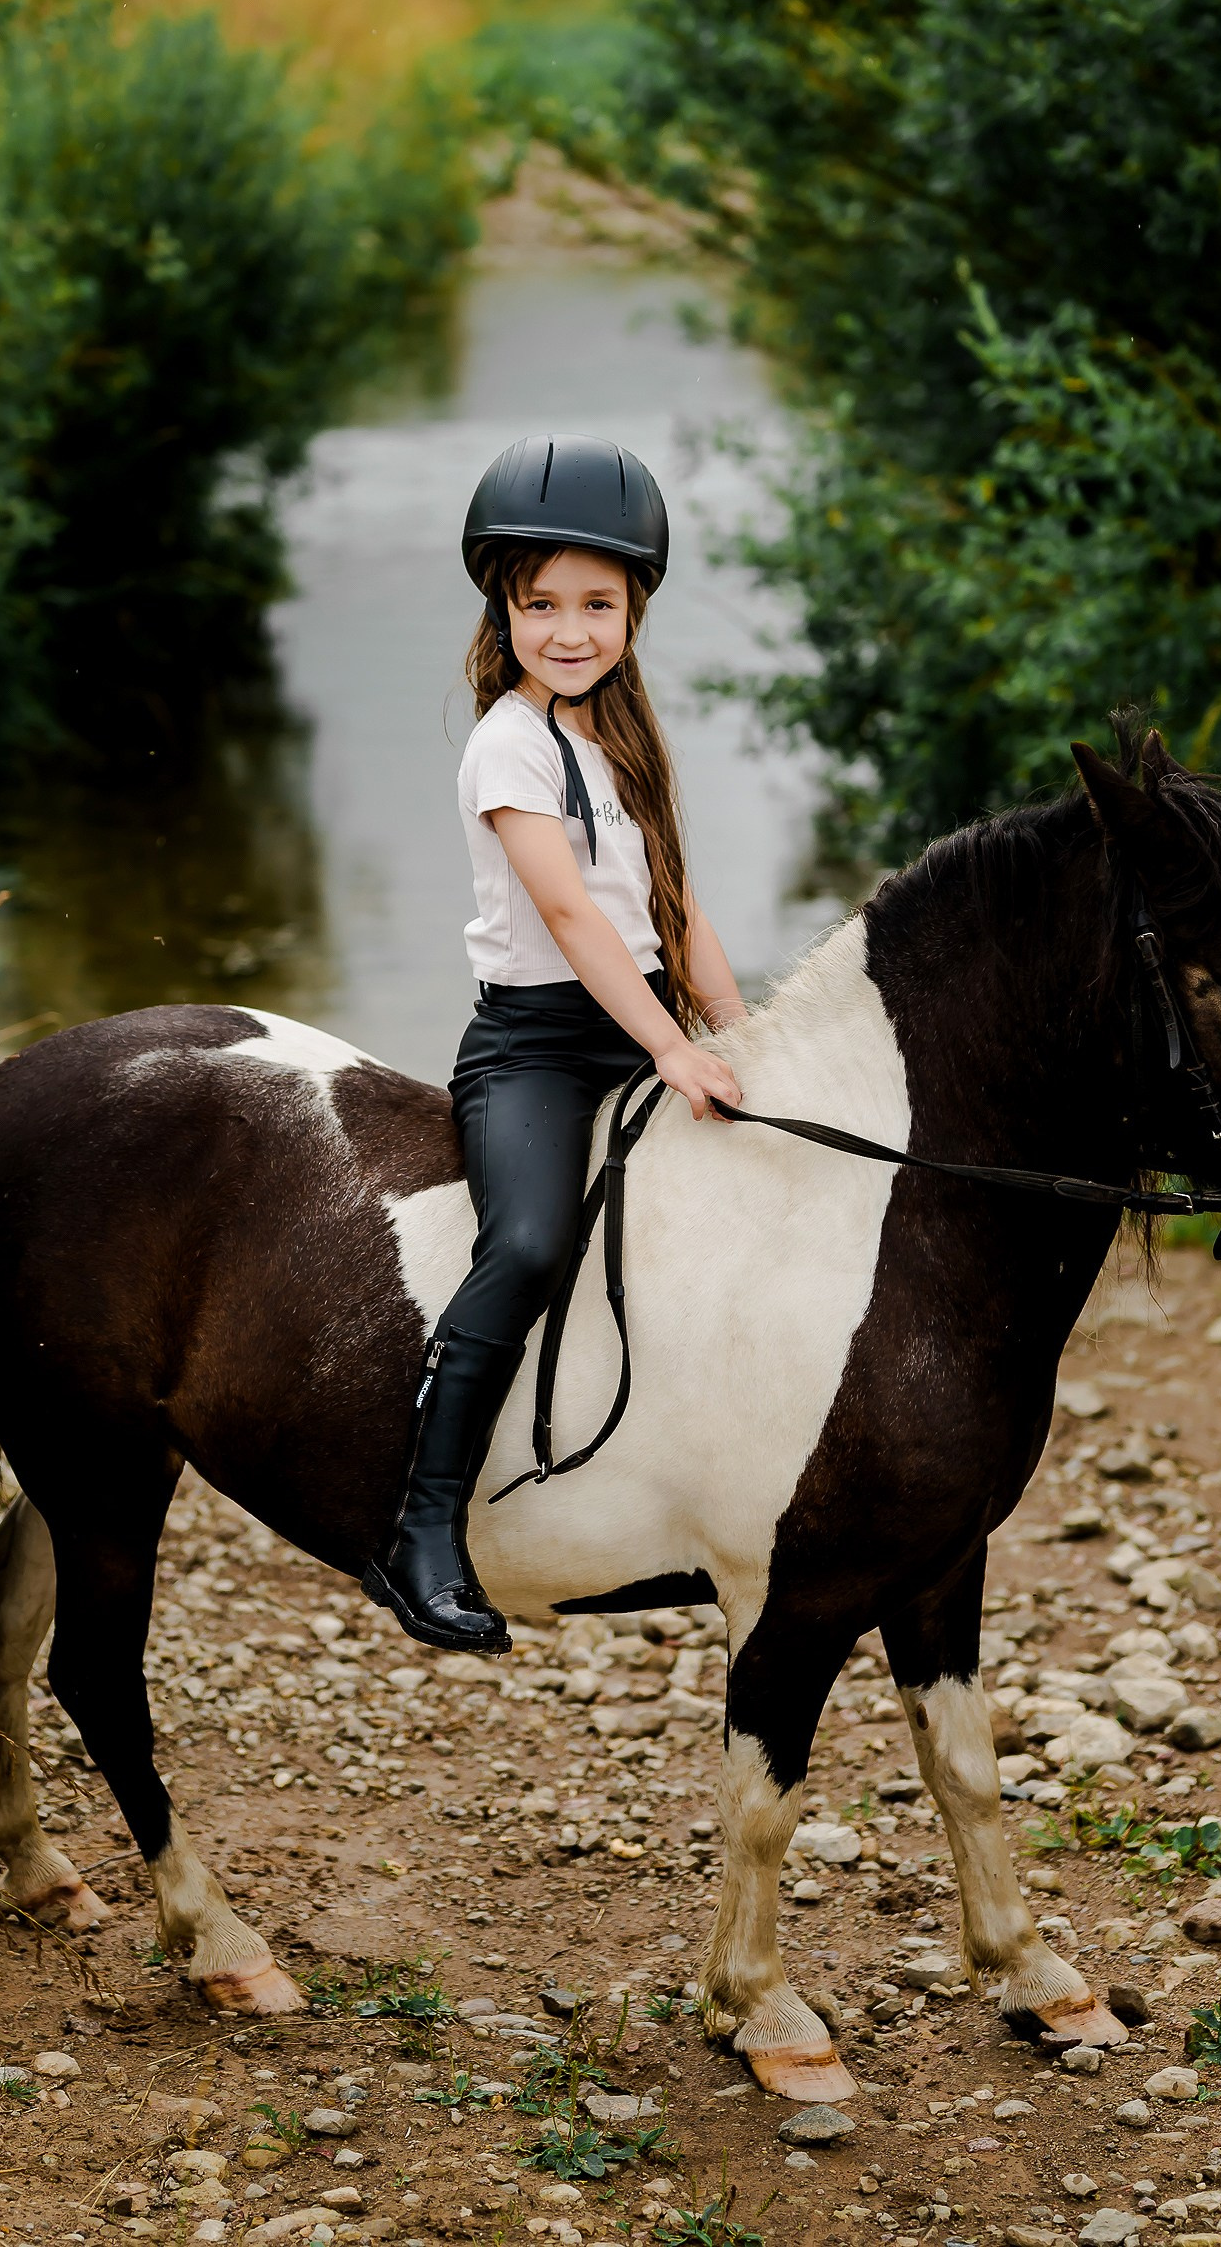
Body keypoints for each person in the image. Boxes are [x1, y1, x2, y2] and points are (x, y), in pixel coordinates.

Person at [362, 435, 747, 1655]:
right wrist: (673, 1056)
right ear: (504, 609)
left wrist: (745, 1038)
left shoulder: (621, 739)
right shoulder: (509, 743)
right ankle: (422, 1526)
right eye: (541, 605)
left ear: (634, 609)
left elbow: (675, 911)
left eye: (595, 604)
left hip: (637, 1023)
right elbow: (575, 921)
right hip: (536, 1047)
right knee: (527, 1243)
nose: (568, 630)